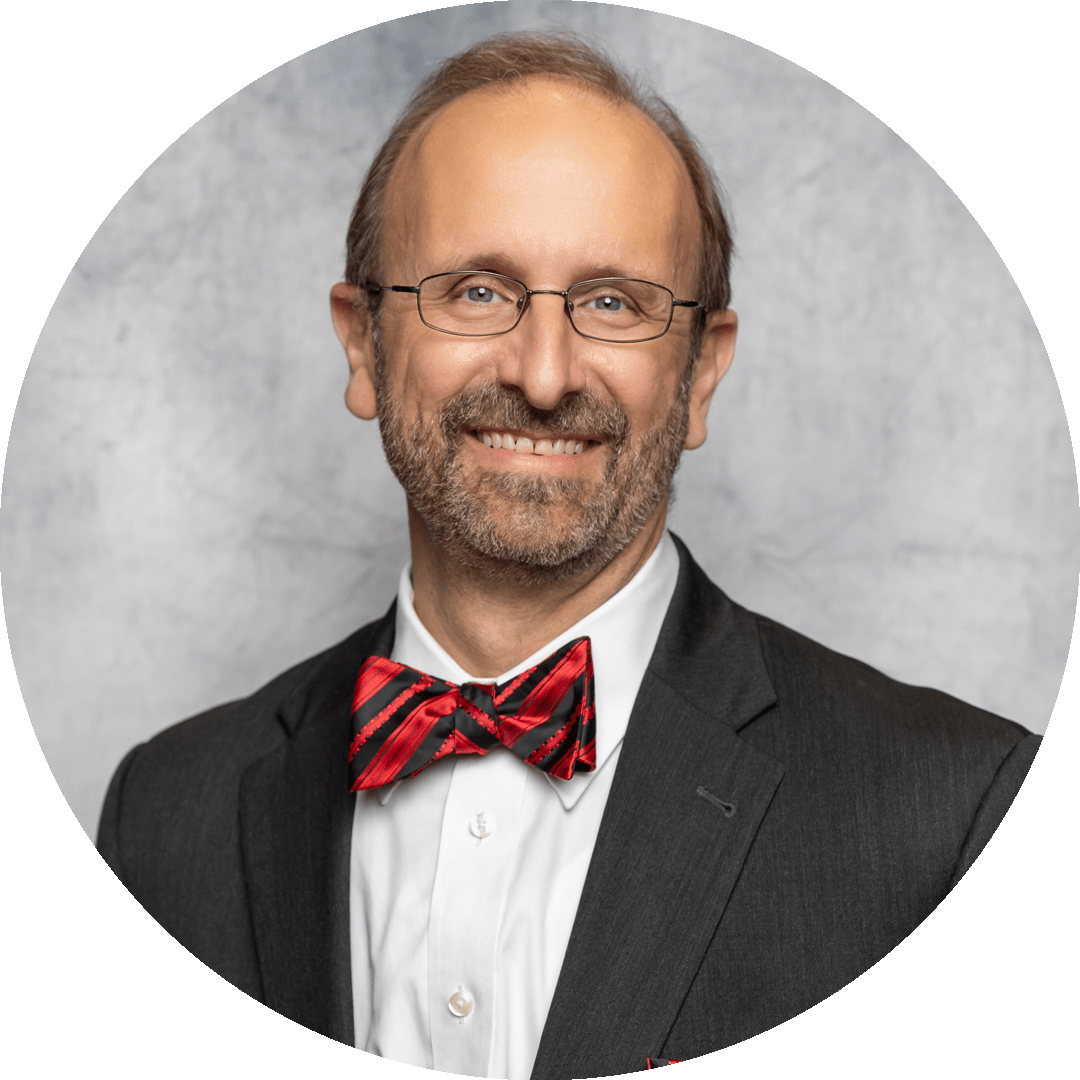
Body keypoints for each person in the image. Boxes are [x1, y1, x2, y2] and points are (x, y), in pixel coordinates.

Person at [97, 31, 1040, 1080]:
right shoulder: (162, 822)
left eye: (613, 303)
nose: (543, 376)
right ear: (363, 344)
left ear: (702, 373)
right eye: (475, 290)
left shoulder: (958, 824)